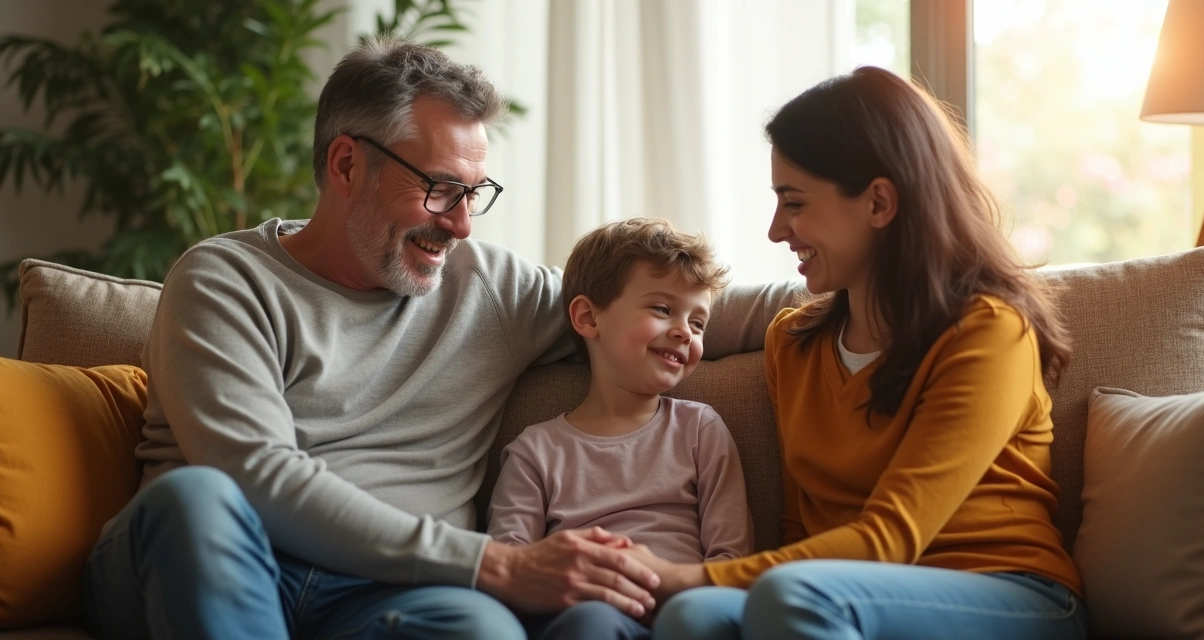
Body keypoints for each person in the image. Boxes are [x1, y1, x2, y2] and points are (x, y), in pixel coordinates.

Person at [79, 39, 799, 640]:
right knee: (198, 498)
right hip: (211, 562)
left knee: (483, 630)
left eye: (474, 193)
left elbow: (663, 308)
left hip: (380, 595)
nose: (461, 225)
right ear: (345, 165)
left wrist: (868, 297)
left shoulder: (487, 287)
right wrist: (499, 565)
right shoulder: (225, 279)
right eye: (439, 189)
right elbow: (254, 475)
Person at [625, 66, 1089, 640]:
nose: (776, 231)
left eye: (793, 203)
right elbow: (801, 527)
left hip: (1015, 597)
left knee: (778, 594)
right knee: (693, 618)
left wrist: (686, 575)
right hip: (834, 594)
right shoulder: (792, 344)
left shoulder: (989, 331)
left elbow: (891, 537)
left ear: (878, 202)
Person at [488, 218, 755, 640]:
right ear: (589, 317)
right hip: (588, 611)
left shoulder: (700, 428)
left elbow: (731, 558)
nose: (685, 330)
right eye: (663, 309)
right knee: (589, 623)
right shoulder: (535, 450)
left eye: (699, 323)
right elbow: (512, 565)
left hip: (684, 609)